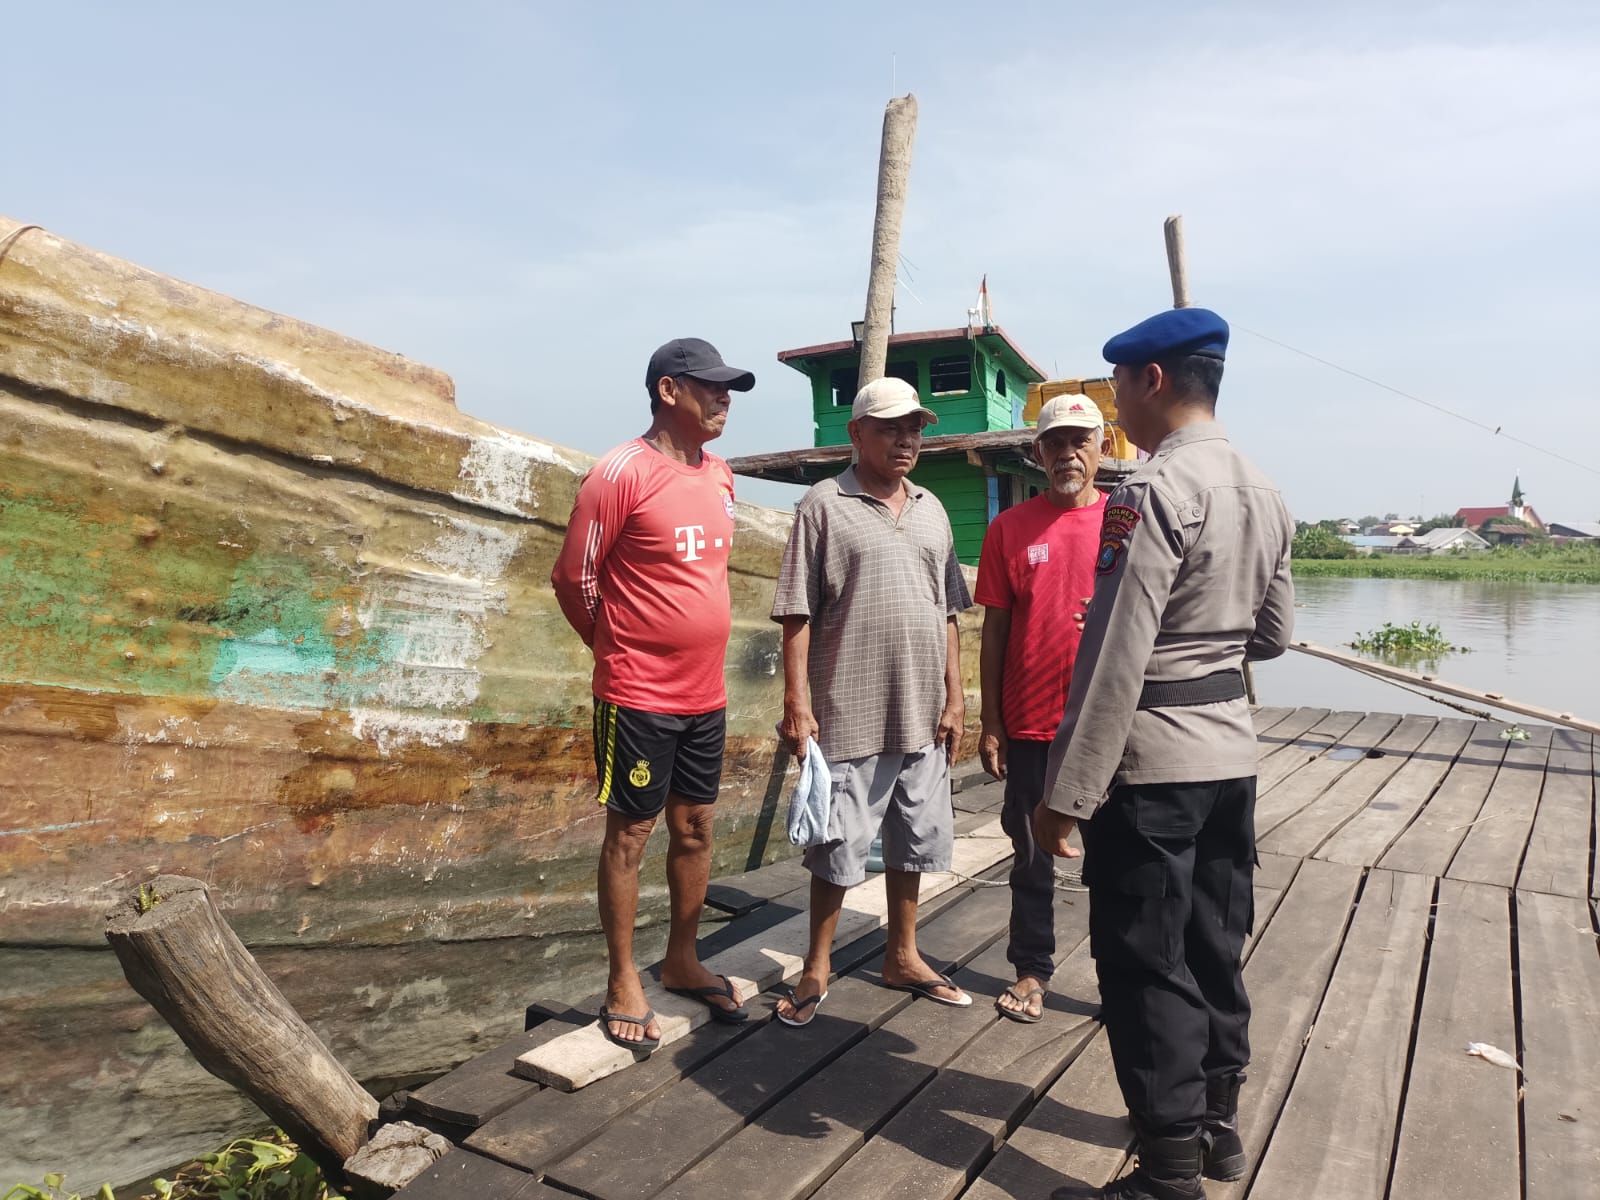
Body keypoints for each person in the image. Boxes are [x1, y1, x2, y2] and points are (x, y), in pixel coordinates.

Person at [1031, 308, 1294, 1200]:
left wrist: (1068, 791)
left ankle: (1168, 1172)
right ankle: (1218, 1130)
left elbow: (1114, 657)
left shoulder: (1146, 491)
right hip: (1233, 757)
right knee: (1216, 943)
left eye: (1117, 388)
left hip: (1154, 767)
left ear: (1150, 381)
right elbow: (1276, 633)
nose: (1114, 408)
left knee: (1145, 960)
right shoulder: (1263, 485)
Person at [550, 337, 757, 1051]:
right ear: (670, 391)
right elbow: (574, 579)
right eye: (712, 387)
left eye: (730, 388)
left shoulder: (722, 475)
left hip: (706, 696)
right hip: (637, 695)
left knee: (696, 828)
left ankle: (681, 957)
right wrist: (617, 651)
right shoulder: (619, 473)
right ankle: (620, 980)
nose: (725, 398)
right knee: (631, 832)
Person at [771, 376, 974, 1027]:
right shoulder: (823, 504)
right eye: (890, 427)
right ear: (856, 433)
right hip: (851, 708)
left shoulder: (933, 509)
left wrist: (956, 695)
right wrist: (797, 705)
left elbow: (948, 611)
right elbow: (796, 613)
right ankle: (817, 964)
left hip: (921, 710)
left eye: (914, 426)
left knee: (914, 838)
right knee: (837, 845)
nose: (906, 438)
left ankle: (903, 954)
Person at [974, 394, 1112, 1023]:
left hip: (1106, 727)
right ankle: (1032, 969)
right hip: (1030, 724)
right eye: (1055, 443)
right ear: (1038, 453)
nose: (1068, 453)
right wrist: (993, 723)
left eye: (1079, 440)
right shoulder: (1009, 528)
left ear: (1102, 445)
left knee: (1116, 858)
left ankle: (1122, 977)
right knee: (1030, 854)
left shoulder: (1124, 524)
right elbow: (995, 632)